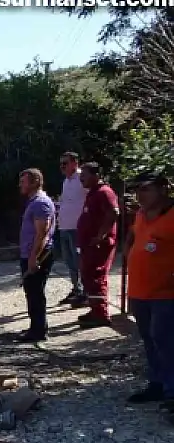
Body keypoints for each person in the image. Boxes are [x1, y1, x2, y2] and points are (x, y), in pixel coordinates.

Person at [122, 171, 174, 406]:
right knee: (149, 340)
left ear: (162, 189)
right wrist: (128, 249)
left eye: (145, 188)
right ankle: (158, 385)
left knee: (166, 341)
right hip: (139, 291)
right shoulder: (141, 215)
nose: (139, 195)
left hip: (165, 293)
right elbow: (134, 234)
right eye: (137, 189)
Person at [75, 162, 120, 327]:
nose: (81, 179)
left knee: (96, 276)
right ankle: (95, 309)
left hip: (99, 244)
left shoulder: (104, 192)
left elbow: (114, 212)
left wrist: (101, 236)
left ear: (96, 175)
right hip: (89, 244)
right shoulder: (93, 193)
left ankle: (101, 314)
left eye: (84, 176)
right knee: (88, 275)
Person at [17, 168, 56, 342]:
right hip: (29, 253)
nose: (20, 185)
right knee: (31, 292)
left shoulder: (41, 203)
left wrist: (34, 257)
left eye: (23, 181)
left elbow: (43, 233)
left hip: (38, 255)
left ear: (35, 182)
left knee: (35, 293)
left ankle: (39, 331)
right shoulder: (33, 202)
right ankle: (36, 327)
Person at [55, 152, 87, 305]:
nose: (62, 167)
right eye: (61, 164)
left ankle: (85, 292)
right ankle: (76, 289)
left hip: (77, 227)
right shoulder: (66, 181)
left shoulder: (82, 178)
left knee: (79, 260)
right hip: (65, 227)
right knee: (69, 261)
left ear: (75, 163)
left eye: (65, 163)